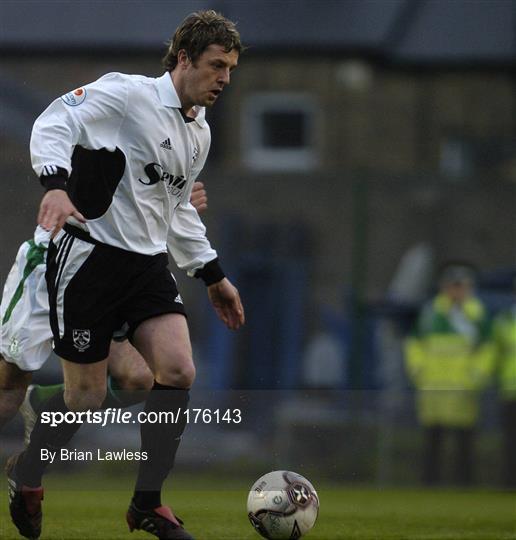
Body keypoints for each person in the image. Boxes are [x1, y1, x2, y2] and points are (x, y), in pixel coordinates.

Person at [7, 10, 244, 540]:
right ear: (184, 59)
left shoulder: (198, 132)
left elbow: (176, 208)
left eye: (230, 68)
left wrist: (212, 274)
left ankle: (147, 504)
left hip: (146, 268)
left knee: (177, 370)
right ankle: (27, 471)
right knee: (85, 400)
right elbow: (54, 121)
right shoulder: (127, 94)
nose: (225, 78)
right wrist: (55, 182)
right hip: (88, 261)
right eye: (216, 66)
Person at [0, 181, 208, 444]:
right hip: (52, 263)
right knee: (8, 391)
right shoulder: (98, 141)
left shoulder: (183, 145)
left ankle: (42, 402)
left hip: (116, 274)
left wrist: (174, 207)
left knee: (139, 379)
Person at [404, 263, 494, 485]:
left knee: (464, 443)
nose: (456, 291)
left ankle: (465, 486)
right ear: (444, 287)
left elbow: (488, 349)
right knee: (432, 442)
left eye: (460, 286)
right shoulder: (430, 313)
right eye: (452, 286)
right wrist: (418, 370)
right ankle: (429, 486)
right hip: (433, 388)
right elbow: (414, 344)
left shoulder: (477, 314)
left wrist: (477, 376)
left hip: (463, 389)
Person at [492, 278, 516, 488]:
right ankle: (508, 483)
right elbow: (494, 353)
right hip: (509, 390)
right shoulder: (505, 319)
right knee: (510, 442)